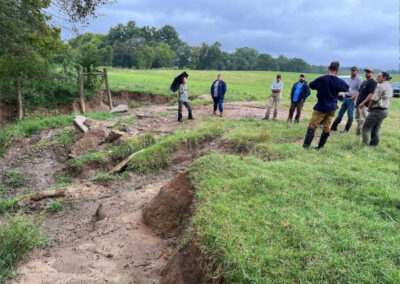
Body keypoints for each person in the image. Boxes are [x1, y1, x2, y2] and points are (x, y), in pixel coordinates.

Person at [302, 61, 350, 149]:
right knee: (327, 127)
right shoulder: (339, 81)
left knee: (312, 126)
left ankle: (306, 146)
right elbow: (349, 89)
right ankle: (320, 147)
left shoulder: (322, 79)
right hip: (332, 108)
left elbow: (309, 86)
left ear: (328, 67)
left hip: (321, 106)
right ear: (337, 70)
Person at [361, 72, 392, 146]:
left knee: (365, 128)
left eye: (379, 76)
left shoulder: (381, 86)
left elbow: (374, 99)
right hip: (384, 110)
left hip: (377, 110)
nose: (377, 78)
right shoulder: (389, 86)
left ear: (384, 78)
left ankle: (365, 146)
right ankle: (374, 145)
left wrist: (369, 107)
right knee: (376, 128)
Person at [330, 66, 363, 132]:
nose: (352, 72)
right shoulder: (349, 78)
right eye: (351, 70)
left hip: (352, 99)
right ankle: (334, 126)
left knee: (350, 114)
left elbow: (360, 91)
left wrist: (354, 98)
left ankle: (346, 129)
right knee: (340, 112)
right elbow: (347, 87)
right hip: (346, 97)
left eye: (354, 70)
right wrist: (345, 94)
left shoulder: (359, 79)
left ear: (357, 71)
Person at [354, 67, 377, 135]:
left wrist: (363, 103)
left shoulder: (373, 82)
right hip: (358, 103)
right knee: (358, 119)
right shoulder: (364, 82)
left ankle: (363, 135)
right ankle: (358, 134)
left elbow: (371, 94)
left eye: (369, 72)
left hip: (364, 105)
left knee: (363, 120)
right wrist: (355, 100)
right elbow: (359, 92)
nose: (367, 73)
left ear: (372, 73)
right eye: (366, 72)